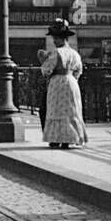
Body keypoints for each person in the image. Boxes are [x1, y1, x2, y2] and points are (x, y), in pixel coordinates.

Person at [37, 19, 87, 148]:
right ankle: (69, 139)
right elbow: (79, 70)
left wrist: (43, 60)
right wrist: (72, 78)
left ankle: (56, 139)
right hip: (71, 82)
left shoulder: (56, 53)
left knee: (55, 110)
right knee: (71, 110)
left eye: (55, 38)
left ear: (60, 39)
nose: (54, 41)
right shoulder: (74, 53)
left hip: (58, 82)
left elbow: (46, 70)